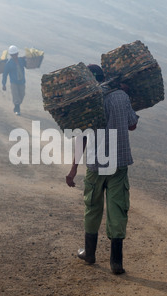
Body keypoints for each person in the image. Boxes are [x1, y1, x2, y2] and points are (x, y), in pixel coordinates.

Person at [66, 64, 139, 275]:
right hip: (118, 163)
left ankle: (89, 254)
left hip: (96, 164)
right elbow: (132, 125)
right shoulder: (121, 97)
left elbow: (82, 138)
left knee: (92, 207)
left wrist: (73, 170)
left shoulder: (87, 102)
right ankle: (116, 263)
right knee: (117, 210)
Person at [2, 45, 27, 116]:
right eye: (13, 55)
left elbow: (27, 65)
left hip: (22, 81)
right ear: (11, 55)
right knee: (15, 95)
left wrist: (27, 58)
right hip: (14, 82)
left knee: (22, 95)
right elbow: (5, 74)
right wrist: (3, 84)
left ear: (17, 54)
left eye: (15, 54)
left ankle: (16, 106)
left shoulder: (21, 60)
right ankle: (17, 109)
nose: (14, 56)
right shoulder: (8, 63)